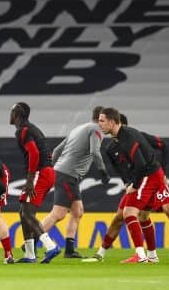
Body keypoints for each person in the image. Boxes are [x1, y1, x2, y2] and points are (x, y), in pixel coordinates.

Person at [89, 109, 169, 263]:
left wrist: (134, 185)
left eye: (102, 121)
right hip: (145, 176)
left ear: (112, 122)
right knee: (138, 215)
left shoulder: (127, 137)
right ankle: (151, 256)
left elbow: (141, 164)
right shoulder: (114, 145)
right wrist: (129, 183)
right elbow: (126, 168)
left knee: (131, 213)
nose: (99, 124)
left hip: (149, 176)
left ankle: (140, 255)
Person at [39, 106, 110, 258]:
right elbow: (94, 152)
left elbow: (57, 150)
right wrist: (103, 171)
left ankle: (70, 250)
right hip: (68, 175)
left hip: (63, 173)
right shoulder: (96, 129)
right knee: (58, 214)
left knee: (77, 212)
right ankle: (29, 242)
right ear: (101, 118)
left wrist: (54, 169)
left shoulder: (78, 128)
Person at [10, 102, 60, 263]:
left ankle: (51, 246)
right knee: (23, 212)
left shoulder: (23, 130)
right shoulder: (32, 129)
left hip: (40, 172)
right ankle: (30, 254)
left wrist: (31, 179)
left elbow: (34, 152)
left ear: (17, 114)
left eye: (11, 112)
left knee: (27, 214)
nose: (10, 115)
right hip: (47, 172)